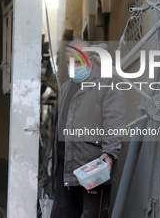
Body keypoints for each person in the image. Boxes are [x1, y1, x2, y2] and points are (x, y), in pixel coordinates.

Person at [49, 40, 125, 218]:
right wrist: (53, 156)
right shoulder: (67, 87)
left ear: (90, 60)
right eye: (70, 62)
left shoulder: (107, 81)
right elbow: (60, 124)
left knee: (92, 215)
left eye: (78, 61)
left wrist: (110, 154)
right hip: (65, 166)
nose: (73, 66)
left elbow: (114, 121)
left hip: (92, 165)